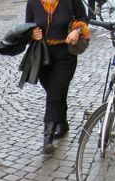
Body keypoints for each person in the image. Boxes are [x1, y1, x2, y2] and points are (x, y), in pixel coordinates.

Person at [26, 0, 89, 154]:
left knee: (54, 93)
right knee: (54, 91)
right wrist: (31, 34)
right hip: (43, 56)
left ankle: (47, 139)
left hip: (65, 54)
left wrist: (77, 30)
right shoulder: (33, 2)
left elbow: (83, 18)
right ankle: (63, 122)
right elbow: (27, 26)